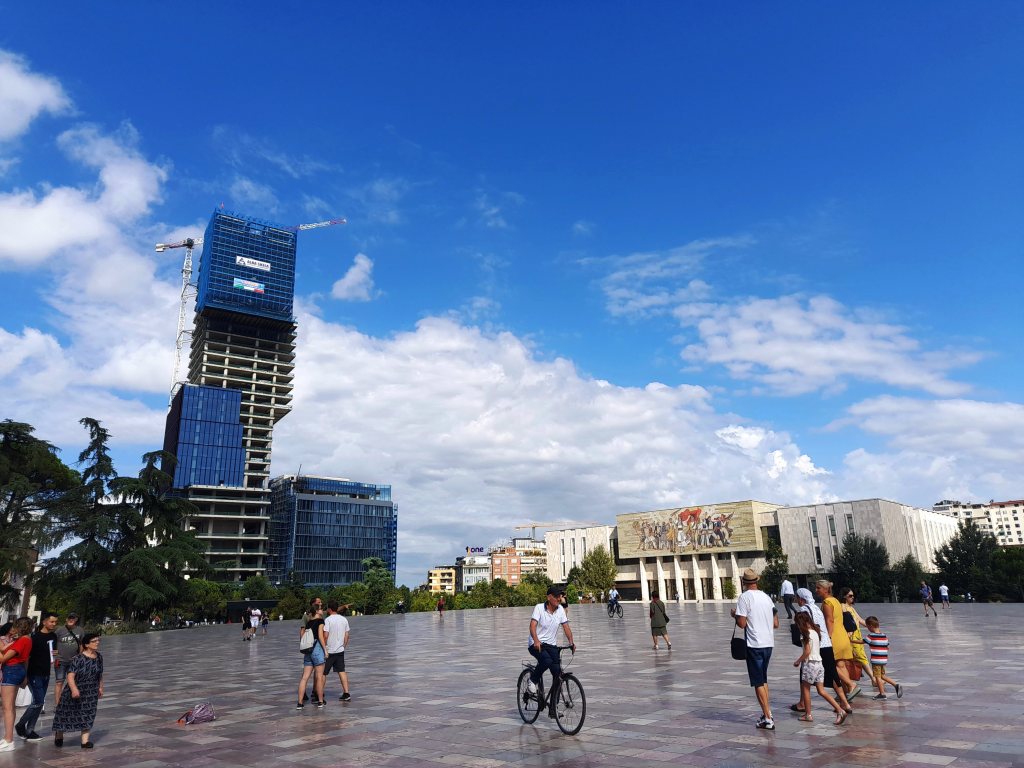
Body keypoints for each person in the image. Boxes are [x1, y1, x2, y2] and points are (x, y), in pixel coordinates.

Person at [731, 568, 779, 730]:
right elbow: (776, 623)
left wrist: (735, 615)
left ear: (744, 582)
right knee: (763, 679)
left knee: (758, 681)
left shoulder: (745, 598)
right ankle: (767, 712)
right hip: (768, 643)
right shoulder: (766, 597)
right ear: (757, 581)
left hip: (754, 644)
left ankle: (768, 719)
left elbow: (742, 623)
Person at [792, 588, 852, 716]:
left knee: (804, 678)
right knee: (833, 674)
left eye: (796, 598)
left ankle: (803, 705)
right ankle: (845, 703)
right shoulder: (816, 608)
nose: (796, 600)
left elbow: (804, 628)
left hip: (816, 646)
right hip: (827, 644)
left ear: (801, 599)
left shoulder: (803, 610)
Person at [526, 586, 576, 719]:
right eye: (556, 596)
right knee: (546, 661)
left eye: (560, 596)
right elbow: (532, 626)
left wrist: (571, 642)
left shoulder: (560, 610)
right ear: (549, 597)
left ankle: (553, 709)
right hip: (536, 644)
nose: (559, 598)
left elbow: (566, 627)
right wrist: (536, 640)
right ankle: (532, 681)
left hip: (551, 646)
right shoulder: (539, 608)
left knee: (558, 674)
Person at [792, 611, 846, 725]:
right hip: (819, 664)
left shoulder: (805, 634)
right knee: (821, 691)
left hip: (810, 664)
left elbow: (807, 651)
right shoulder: (816, 632)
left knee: (806, 690)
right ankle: (840, 710)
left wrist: (798, 661)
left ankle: (808, 714)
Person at [51, 632, 104, 748]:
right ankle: (59, 733)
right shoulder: (78, 658)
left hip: (91, 691)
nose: (97, 643)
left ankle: (85, 741)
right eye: (94, 641)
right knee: (66, 713)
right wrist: (74, 689)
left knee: (88, 713)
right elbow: (70, 676)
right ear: (86, 644)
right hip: (76, 688)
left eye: (98, 640)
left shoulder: (99, 657)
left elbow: (99, 674)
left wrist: (100, 687)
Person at [16, 611, 58, 742]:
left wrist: (55, 654)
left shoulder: (53, 636)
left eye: (55, 622)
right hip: (34, 673)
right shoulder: (34, 637)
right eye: (51, 621)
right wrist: (25, 675)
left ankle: (30, 730)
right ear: (44, 622)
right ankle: (21, 724)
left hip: (46, 672)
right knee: (38, 701)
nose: (54, 624)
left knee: (39, 703)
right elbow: (26, 657)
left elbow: (52, 652)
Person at [816, 580, 859, 701]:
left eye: (818, 588)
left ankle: (851, 684)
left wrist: (828, 637)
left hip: (834, 636)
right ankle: (846, 692)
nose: (816, 590)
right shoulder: (835, 600)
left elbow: (829, 620)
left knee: (830, 665)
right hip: (842, 635)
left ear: (825, 589)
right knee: (841, 665)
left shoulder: (827, 602)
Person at [0, 617, 34, 753]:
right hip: (17, 670)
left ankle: (9, 740)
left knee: (7, 707)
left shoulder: (22, 640)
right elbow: (25, 659)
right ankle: (7, 738)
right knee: (10, 707)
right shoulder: (26, 639)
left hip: (11, 670)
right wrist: (25, 676)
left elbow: (3, 658)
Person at [862, 616, 903, 700]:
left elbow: (862, 641)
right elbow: (887, 646)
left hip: (876, 660)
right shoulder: (884, 635)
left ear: (870, 626)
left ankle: (882, 694)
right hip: (883, 660)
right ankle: (896, 685)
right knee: (882, 676)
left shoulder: (871, 636)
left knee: (877, 677)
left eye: (867, 627)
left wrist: (851, 641)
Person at [297, 607, 327, 709]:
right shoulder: (320, 621)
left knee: (304, 677)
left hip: (308, 651)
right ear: (317, 612)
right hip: (317, 649)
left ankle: (300, 703)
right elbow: (320, 636)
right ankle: (320, 701)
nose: (322, 611)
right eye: (321, 609)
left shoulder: (308, 623)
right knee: (319, 677)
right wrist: (325, 650)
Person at [840, 589, 873, 681]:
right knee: (861, 657)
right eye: (850, 596)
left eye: (853, 595)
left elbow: (860, 620)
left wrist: (872, 627)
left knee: (859, 657)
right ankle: (873, 679)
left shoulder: (851, 607)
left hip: (857, 635)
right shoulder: (843, 606)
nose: (852, 597)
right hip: (852, 636)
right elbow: (846, 621)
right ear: (844, 596)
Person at [322, 601, 351, 701]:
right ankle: (346, 693)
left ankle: (320, 693)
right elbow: (347, 635)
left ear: (329, 609)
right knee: (342, 671)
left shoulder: (327, 620)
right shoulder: (344, 619)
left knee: (323, 673)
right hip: (340, 650)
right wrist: (344, 646)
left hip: (329, 650)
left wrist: (323, 647)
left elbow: (325, 635)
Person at [54, 613, 83, 704]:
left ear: (76, 620)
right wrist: (54, 652)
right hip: (61, 661)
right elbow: (53, 642)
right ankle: (58, 704)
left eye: (73, 618)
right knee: (59, 682)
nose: (71, 620)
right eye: (69, 618)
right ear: (66, 619)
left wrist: (80, 656)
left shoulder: (80, 630)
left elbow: (82, 644)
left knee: (73, 682)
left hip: (74, 661)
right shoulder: (59, 630)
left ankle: (71, 703)